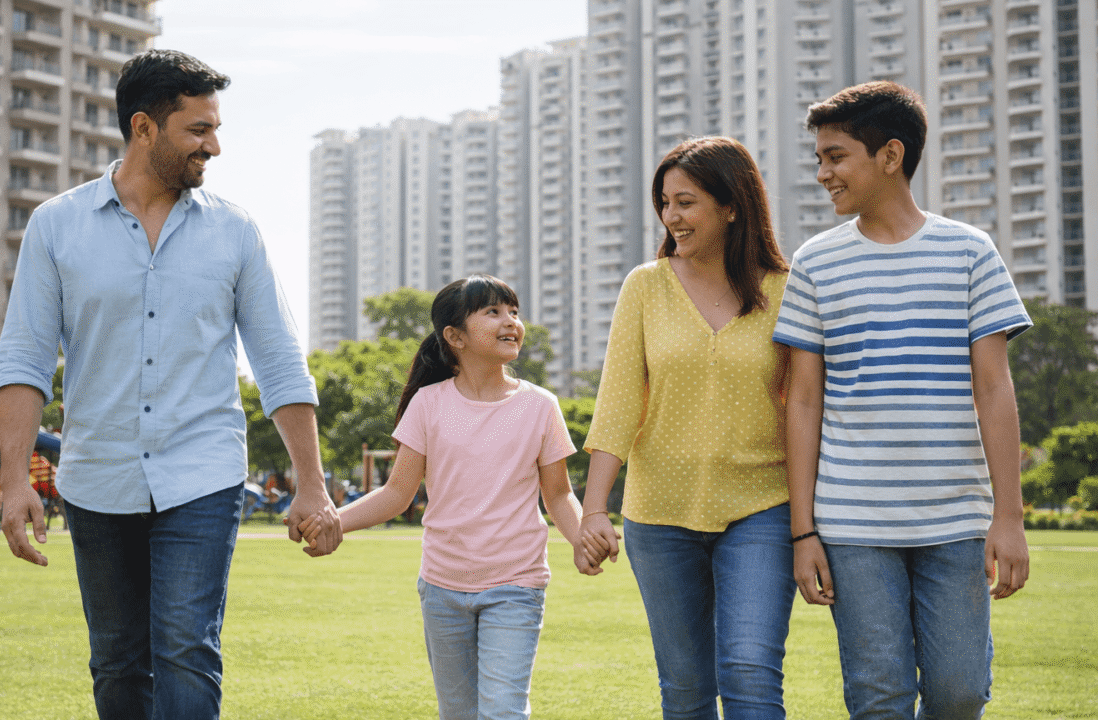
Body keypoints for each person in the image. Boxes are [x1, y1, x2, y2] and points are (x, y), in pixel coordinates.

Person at [0, 49, 342, 720]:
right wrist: (13, 480)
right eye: (198, 130)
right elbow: (25, 362)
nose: (214, 145)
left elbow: (277, 361)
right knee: (118, 660)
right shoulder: (55, 226)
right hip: (97, 476)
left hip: (202, 474)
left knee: (186, 648)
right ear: (144, 128)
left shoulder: (235, 231)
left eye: (215, 128)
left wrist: (312, 482)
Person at [774, 81, 1031, 719]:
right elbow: (801, 402)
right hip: (854, 524)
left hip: (956, 521)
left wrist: (1011, 517)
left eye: (835, 157)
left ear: (890, 156)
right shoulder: (814, 263)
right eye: (819, 159)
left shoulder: (970, 252)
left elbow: (995, 389)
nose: (822, 173)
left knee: (961, 690)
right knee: (879, 696)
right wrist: (803, 529)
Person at [302, 274, 591, 720]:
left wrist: (581, 538)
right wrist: (334, 521)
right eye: (493, 312)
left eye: (513, 311)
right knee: (457, 712)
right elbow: (397, 493)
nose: (510, 321)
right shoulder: (428, 404)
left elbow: (558, 495)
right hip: (443, 587)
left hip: (516, 584)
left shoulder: (541, 406)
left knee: (503, 711)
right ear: (454, 336)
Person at [578, 136, 795, 718]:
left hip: (763, 507)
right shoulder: (645, 286)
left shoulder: (785, 289)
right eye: (665, 203)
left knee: (750, 672)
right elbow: (619, 401)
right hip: (659, 516)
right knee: (686, 689)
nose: (671, 217)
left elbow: (802, 407)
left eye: (686, 202)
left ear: (731, 206)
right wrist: (593, 509)